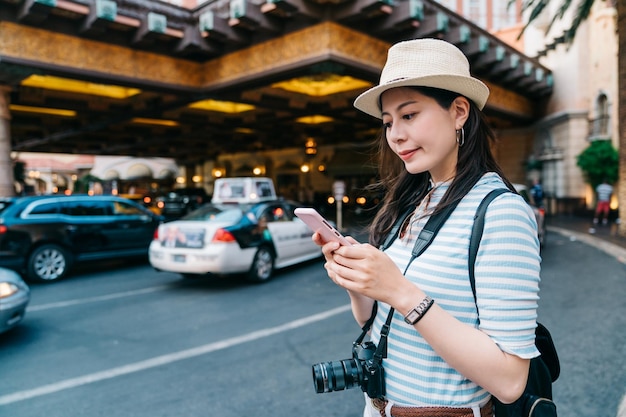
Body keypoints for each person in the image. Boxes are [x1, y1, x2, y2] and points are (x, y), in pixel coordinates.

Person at [312, 39, 541, 417]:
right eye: (388, 122)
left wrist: (401, 291)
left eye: (409, 115)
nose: (395, 135)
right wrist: (360, 282)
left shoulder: (500, 212)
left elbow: (510, 380)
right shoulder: (413, 201)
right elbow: (376, 323)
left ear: (459, 112)